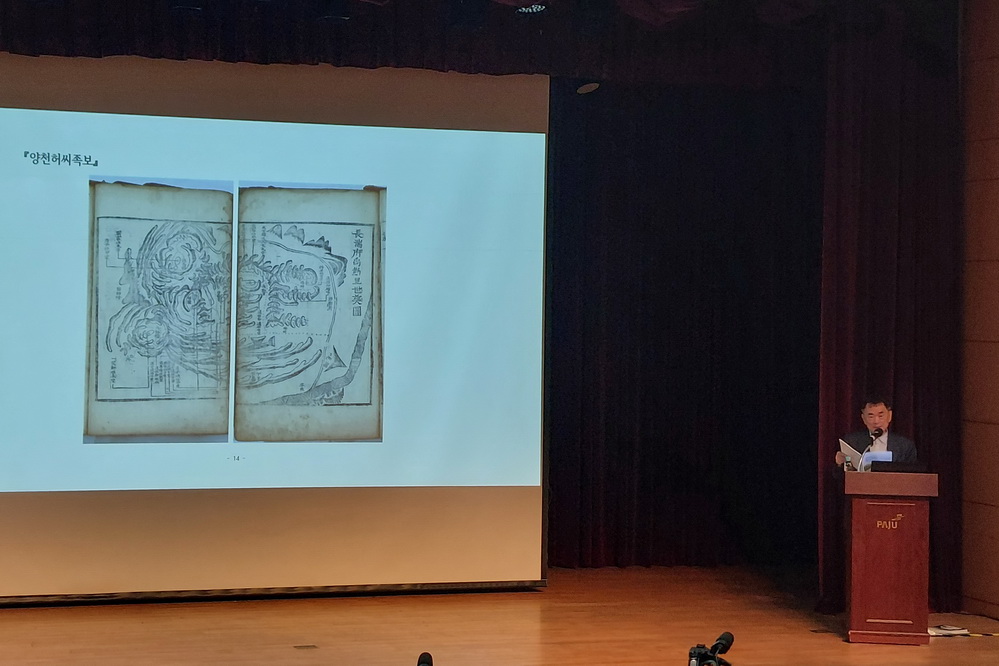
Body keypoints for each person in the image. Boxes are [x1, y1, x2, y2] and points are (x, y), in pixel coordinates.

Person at [835, 398, 917, 467]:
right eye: (871, 416)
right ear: (863, 418)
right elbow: (841, 476)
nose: (876, 421)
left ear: (889, 416)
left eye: (881, 416)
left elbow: (911, 475)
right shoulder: (851, 442)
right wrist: (839, 464)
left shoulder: (905, 446)